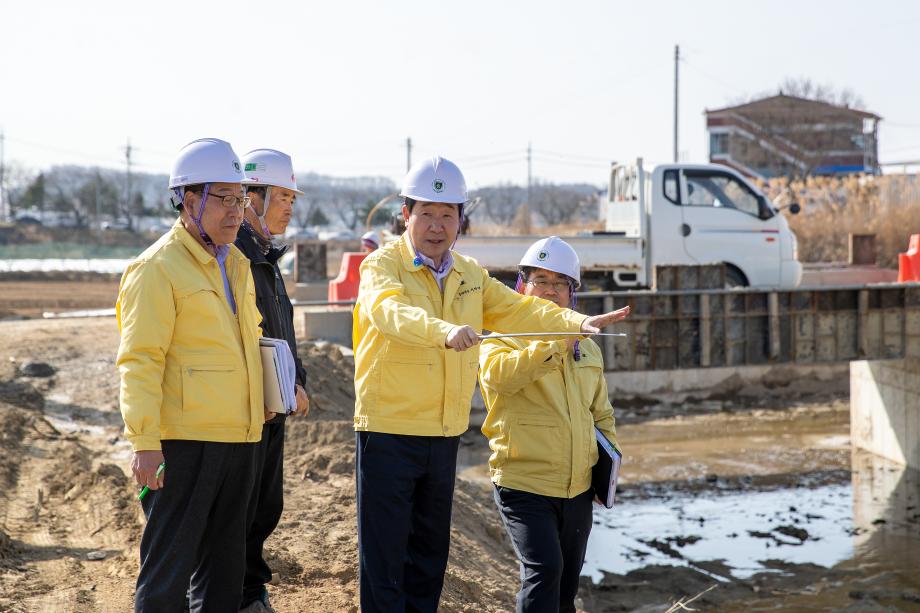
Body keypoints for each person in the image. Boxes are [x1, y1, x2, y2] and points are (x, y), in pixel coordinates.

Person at [352, 157, 630, 612]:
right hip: (389, 430)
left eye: (448, 214)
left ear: (461, 220)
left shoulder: (469, 274)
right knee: (384, 559)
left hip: (444, 433)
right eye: (427, 213)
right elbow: (390, 313)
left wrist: (577, 323)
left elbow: (520, 310)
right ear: (406, 215)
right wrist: (443, 331)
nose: (437, 225)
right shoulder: (381, 266)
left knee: (428, 560)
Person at [116, 138, 265, 612]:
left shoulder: (236, 263)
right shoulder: (156, 269)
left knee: (224, 576)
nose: (236, 211)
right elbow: (140, 360)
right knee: (168, 575)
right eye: (224, 198)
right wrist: (145, 442)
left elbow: (245, 343)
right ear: (188, 199)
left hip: (239, 440)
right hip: (183, 444)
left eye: (241, 198)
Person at [478, 236, 621, 613]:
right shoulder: (500, 340)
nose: (550, 290)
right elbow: (500, 379)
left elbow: (601, 414)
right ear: (522, 286)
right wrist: (557, 341)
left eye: (560, 283)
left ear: (572, 293)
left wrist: (606, 474)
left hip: (578, 488)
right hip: (523, 483)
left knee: (566, 586)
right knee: (544, 571)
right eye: (540, 280)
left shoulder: (588, 347)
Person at [236, 148, 311, 613]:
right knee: (240, 512)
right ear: (252, 196)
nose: (289, 208)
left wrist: (297, 379)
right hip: (250, 410)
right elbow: (246, 338)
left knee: (265, 508)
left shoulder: (266, 257)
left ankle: (249, 591)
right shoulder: (235, 257)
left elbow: (282, 330)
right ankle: (240, 596)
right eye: (282, 197)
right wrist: (271, 389)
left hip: (274, 406)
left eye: (291, 198)